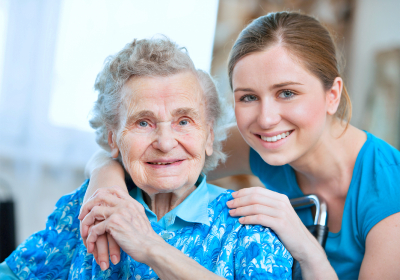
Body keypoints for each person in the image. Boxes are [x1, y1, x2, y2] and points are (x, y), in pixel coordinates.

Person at [79, 12, 400, 279]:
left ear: (332, 95)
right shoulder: (257, 141)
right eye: (248, 97)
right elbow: (150, 151)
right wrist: (106, 187)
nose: (267, 118)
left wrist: (304, 245)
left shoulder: (388, 192)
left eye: (287, 92)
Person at [0, 38, 293, 279]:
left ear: (209, 136)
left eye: (183, 121)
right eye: (143, 123)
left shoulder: (249, 227)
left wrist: (151, 247)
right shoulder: (89, 207)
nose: (165, 143)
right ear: (113, 139)